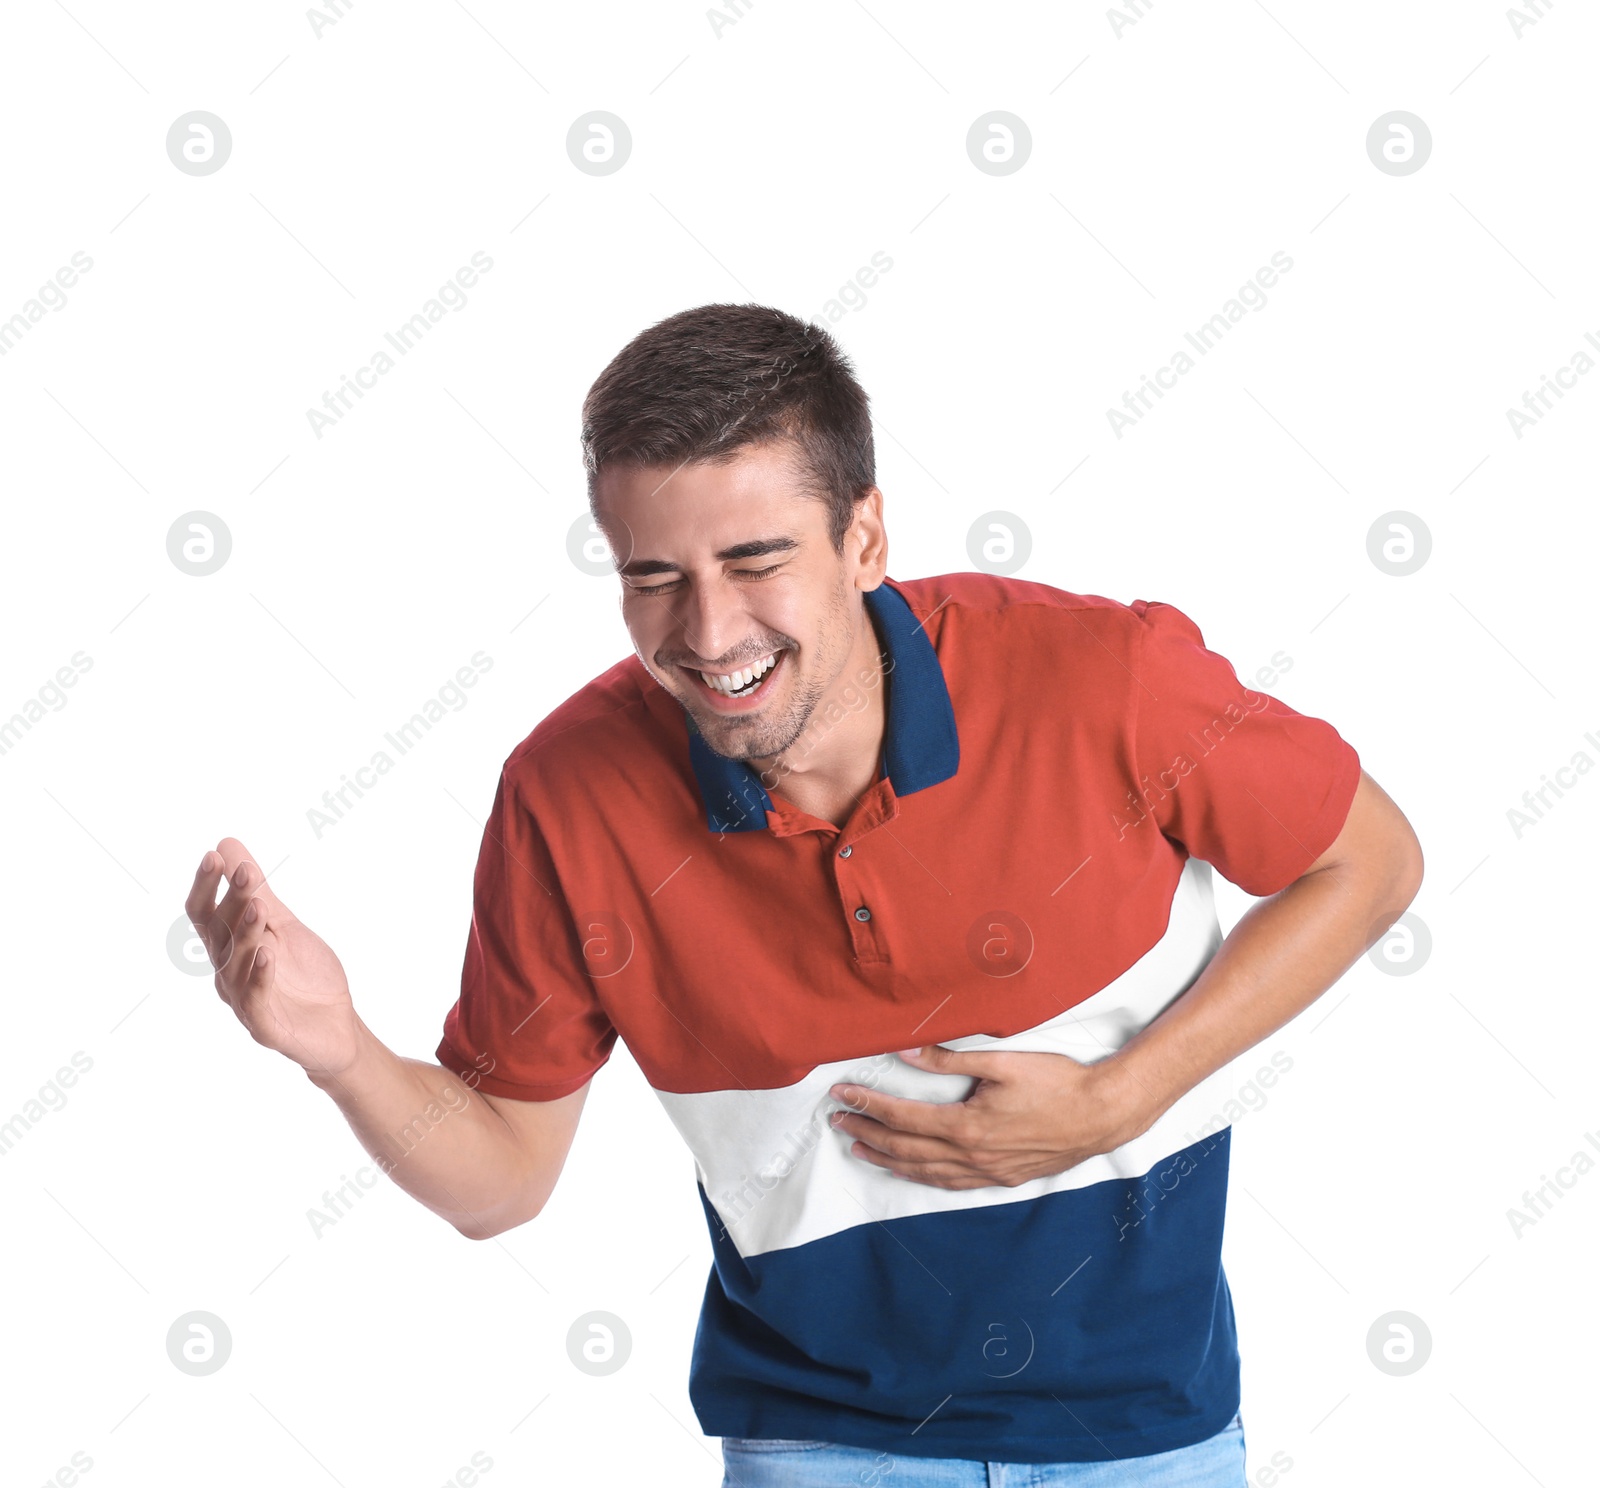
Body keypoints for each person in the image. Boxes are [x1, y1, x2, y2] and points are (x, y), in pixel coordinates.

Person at [187, 303, 1424, 1486]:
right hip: (818, 1446)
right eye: (654, 576)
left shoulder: (1104, 679)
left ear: (864, 540)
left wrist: (1120, 1099)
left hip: (1154, 1434)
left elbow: (1369, 860)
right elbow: (504, 1179)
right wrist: (337, 1049)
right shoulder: (567, 799)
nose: (708, 631)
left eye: (755, 560)